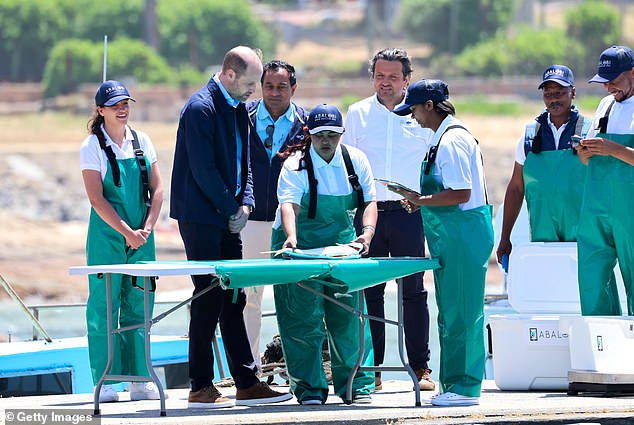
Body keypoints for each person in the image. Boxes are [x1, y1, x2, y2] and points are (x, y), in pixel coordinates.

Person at [170, 46, 292, 409]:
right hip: (202, 217)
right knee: (207, 296)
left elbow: (247, 163)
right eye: (252, 82)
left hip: (228, 216)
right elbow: (203, 170)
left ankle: (245, 381)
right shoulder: (200, 108)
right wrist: (231, 208)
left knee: (234, 297)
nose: (256, 89)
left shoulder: (238, 106)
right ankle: (200, 385)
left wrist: (247, 202)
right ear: (229, 74)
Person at [391, 79, 493, 407]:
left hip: (463, 236)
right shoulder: (442, 138)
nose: (414, 117)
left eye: (416, 110)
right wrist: (420, 200)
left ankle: (464, 388)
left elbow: (461, 193)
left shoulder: (452, 141)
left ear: (430, 106)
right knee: (450, 311)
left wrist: (422, 200)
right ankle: (453, 383)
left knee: (463, 311)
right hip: (453, 237)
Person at [342, 47, 434, 392]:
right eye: (380, 76)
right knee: (370, 292)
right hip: (370, 214)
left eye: (393, 76)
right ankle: (374, 371)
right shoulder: (358, 113)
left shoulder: (422, 113)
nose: (386, 83)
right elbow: (347, 165)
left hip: (411, 213)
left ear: (407, 80)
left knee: (414, 291)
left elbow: (431, 164)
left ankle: (421, 368)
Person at [272, 104, 377, 405]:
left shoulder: (356, 161)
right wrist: (291, 237)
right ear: (309, 135)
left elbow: (369, 202)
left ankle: (357, 386)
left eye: (332, 134)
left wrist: (366, 233)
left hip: (342, 245)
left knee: (349, 316)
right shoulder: (294, 165)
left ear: (342, 134)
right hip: (299, 246)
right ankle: (309, 389)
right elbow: (289, 205)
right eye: (320, 135)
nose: (326, 140)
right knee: (301, 318)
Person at [80, 80, 164, 403]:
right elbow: (97, 200)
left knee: (139, 307)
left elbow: (157, 190)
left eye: (125, 102)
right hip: (107, 239)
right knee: (104, 309)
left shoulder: (142, 141)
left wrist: (147, 227)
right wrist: (126, 232)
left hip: (144, 237)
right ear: (100, 111)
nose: (122, 108)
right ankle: (105, 382)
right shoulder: (91, 147)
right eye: (115, 104)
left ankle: (140, 379)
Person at [243, 60, 308, 372]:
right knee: (248, 298)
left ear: (293, 88)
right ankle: (247, 370)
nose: (274, 92)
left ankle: (300, 368)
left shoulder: (308, 126)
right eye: (269, 85)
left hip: (291, 224)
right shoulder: (242, 117)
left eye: (282, 86)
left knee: (296, 299)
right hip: (250, 222)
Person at [496, 65, 592, 262]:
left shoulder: (590, 132)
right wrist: (505, 238)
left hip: (584, 237)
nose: (553, 99)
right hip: (542, 236)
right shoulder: (530, 136)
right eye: (548, 94)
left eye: (559, 93)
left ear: (573, 92)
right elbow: (516, 188)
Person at [575, 45, 634, 316]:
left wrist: (612, 149)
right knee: (592, 279)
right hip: (596, 209)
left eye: (614, 81)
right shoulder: (605, 105)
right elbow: (587, 162)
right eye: (604, 82)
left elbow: (612, 150)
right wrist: (585, 152)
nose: (609, 88)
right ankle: (601, 348)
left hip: (630, 209)